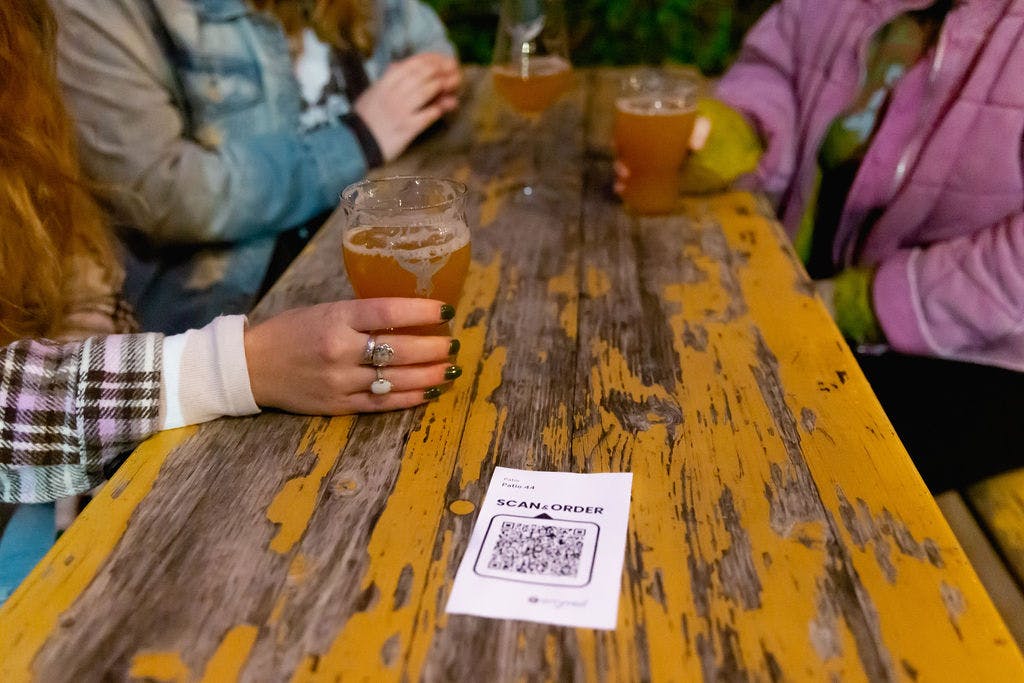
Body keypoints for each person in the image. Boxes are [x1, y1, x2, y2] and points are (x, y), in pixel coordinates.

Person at [0, 0, 462, 596]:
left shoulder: (23, 48)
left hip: (238, 344)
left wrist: (85, 400)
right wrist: (230, 367)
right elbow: (169, 195)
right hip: (222, 333)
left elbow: (75, 261)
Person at [616, 0, 1024, 492]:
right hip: (806, 299)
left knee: (740, 461)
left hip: (978, 357)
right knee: (657, 375)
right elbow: (775, 70)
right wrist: (730, 139)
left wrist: (855, 305)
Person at [49, 0, 462, 334]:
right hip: (229, 322)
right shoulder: (104, 11)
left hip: (362, 273)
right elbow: (163, 193)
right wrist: (359, 139)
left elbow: (427, 40)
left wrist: (424, 83)